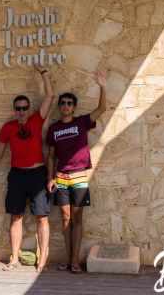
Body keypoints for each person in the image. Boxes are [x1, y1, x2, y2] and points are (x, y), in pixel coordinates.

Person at [0, 65, 55, 272]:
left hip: (37, 174)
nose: (21, 111)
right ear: (15, 110)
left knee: (42, 217)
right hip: (17, 175)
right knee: (16, 216)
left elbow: (50, 96)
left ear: (29, 109)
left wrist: (44, 74)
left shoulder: (36, 120)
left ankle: (42, 259)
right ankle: (14, 258)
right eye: (18, 108)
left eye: (24, 108)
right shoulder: (8, 128)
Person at [46, 70, 107, 274]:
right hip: (61, 178)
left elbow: (102, 108)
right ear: (59, 107)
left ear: (74, 107)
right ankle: (68, 257)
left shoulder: (81, 122)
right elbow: (51, 156)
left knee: (77, 218)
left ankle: (74, 260)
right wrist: (50, 178)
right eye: (62, 103)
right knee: (65, 218)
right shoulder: (54, 129)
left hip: (80, 176)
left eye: (69, 103)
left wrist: (102, 85)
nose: (65, 106)